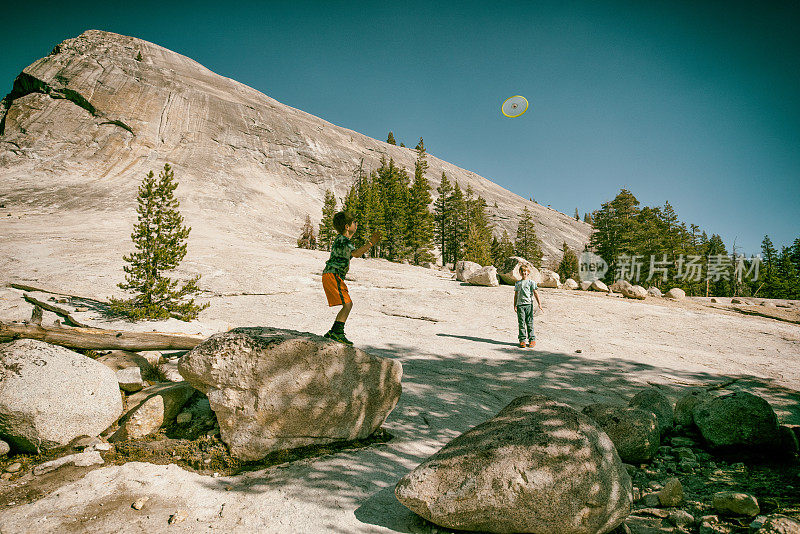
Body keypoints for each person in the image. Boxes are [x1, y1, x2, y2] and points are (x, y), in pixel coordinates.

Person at [322, 211, 381, 345]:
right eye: (354, 222)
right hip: (333, 275)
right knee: (348, 304)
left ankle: (334, 331)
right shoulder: (343, 240)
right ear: (347, 227)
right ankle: (337, 332)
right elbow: (356, 253)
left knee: (347, 304)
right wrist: (371, 243)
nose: (357, 224)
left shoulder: (341, 240)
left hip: (332, 275)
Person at [513, 264, 542, 348]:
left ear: (528, 272)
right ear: (520, 273)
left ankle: (532, 340)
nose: (523, 273)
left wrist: (539, 304)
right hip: (520, 305)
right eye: (522, 272)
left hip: (529, 305)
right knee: (521, 323)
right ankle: (522, 340)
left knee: (529, 322)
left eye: (525, 271)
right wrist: (514, 305)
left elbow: (535, 293)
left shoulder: (531, 282)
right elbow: (516, 295)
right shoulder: (518, 283)